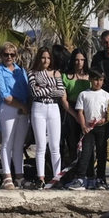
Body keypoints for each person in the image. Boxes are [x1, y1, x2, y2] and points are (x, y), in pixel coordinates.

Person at [0, 44, 31, 190]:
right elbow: (4, 94)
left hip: (23, 110)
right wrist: (21, 106)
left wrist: (26, 107)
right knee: (7, 142)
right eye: (6, 54)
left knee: (19, 144)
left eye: (12, 54)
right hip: (9, 108)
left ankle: (19, 176)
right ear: (1, 55)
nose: (9, 57)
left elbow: (27, 89)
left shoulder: (21, 71)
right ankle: (7, 176)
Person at [66, 70, 109, 189]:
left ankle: (101, 179)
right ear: (90, 79)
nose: (98, 83)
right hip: (88, 129)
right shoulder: (84, 94)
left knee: (101, 153)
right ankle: (81, 178)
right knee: (85, 153)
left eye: (101, 80)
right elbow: (80, 112)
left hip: (102, 129)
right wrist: (83, 126)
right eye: (96, 79)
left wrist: (105, 119)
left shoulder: (106, 95)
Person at [28, 47, 66, 188]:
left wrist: (43, 87)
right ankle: (41, 178)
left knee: (55, 146)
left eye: (48, 58)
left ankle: (57, 178)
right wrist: (51, 88)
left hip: (54, 108)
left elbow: (60, 92)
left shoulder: (56, 73)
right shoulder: (32, 73)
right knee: (40, 145)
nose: (46, 60)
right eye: (43, 57)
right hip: (39, 108)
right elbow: (34, 92)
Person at [62, 49, 91, 170]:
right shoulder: (66, 77)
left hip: (87, 110)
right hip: (72, 110)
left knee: (88, 142)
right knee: (72, 142)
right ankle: (73, 171)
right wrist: (75, 115)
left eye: (82, 60)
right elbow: (64, 100)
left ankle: (88, 172)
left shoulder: (90, 76)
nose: (80, 63)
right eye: (77, 60)